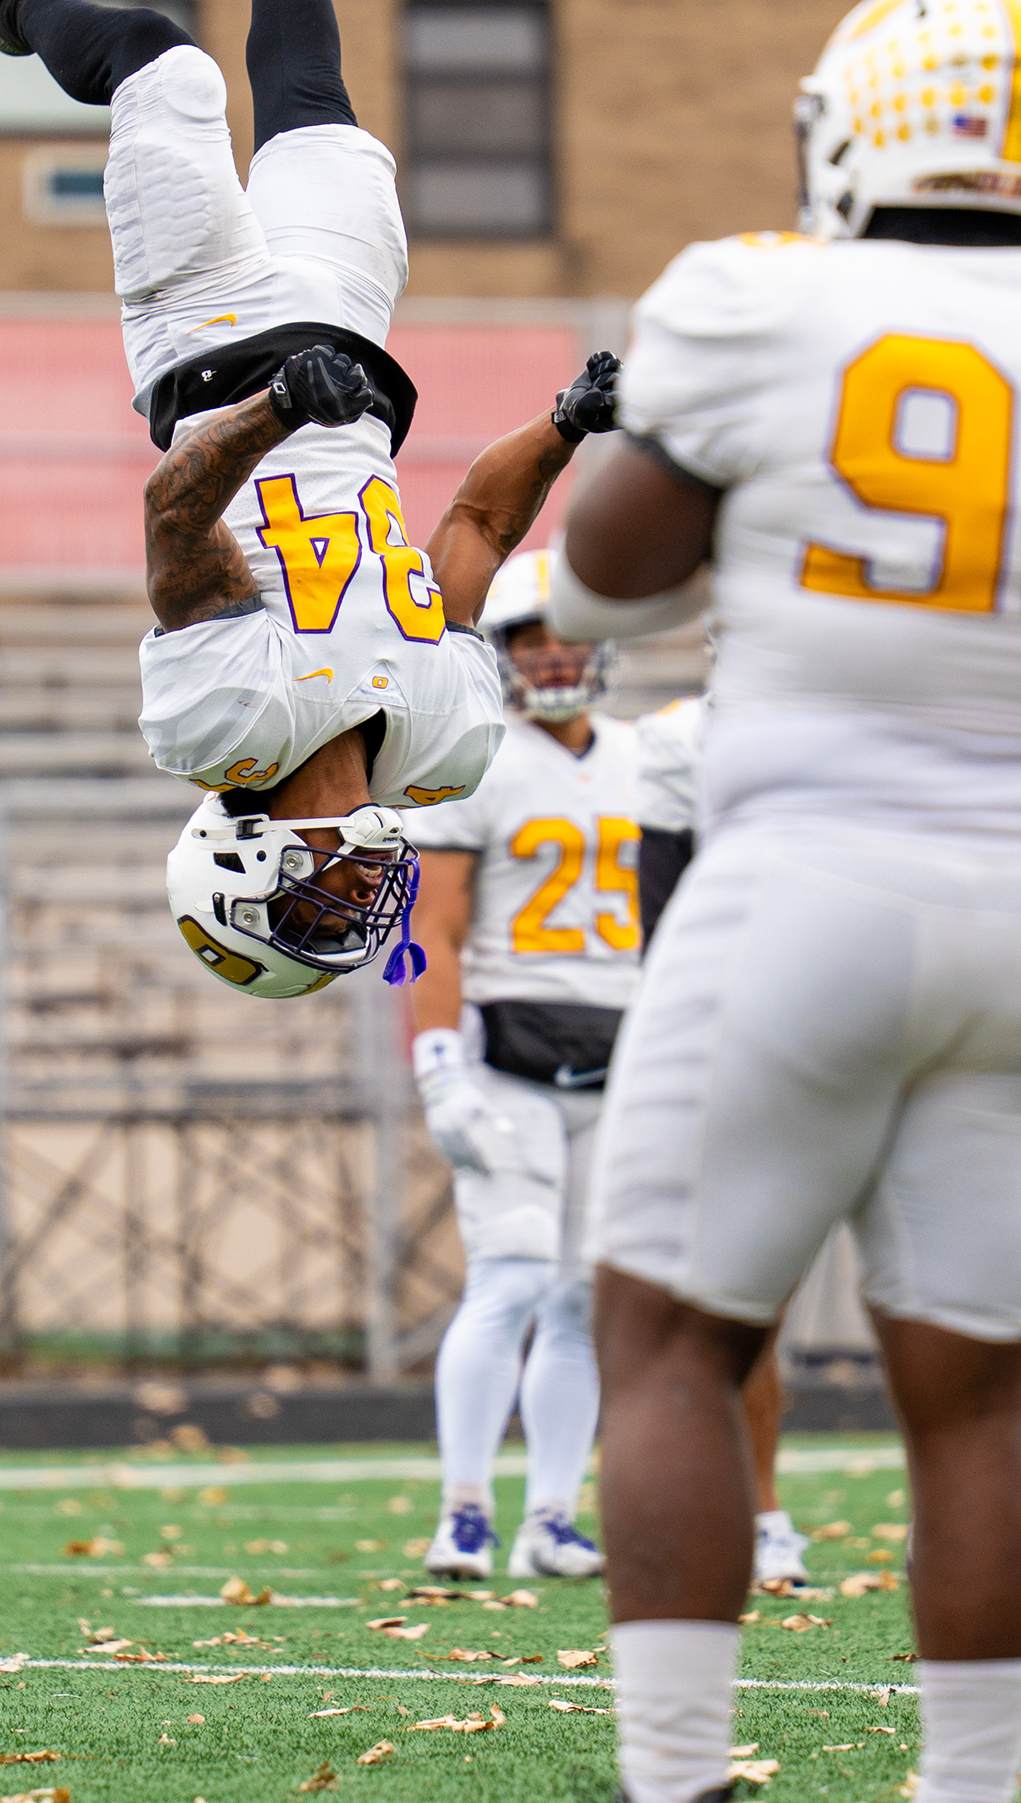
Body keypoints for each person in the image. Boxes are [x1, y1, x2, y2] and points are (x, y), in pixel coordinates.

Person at [552, 0, 1021, 1803]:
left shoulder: (761, 297)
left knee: (673, 1340)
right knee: (977, 1388)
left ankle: (678, 1777)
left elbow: (600, 582)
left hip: (815, 875)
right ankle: (969, 1788)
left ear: (852, 132)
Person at [0, 0, 617, 997]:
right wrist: (566, 425)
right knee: (319, 113)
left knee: (162, 65)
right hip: (350, 352)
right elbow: (475, 524)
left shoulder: (224, 729)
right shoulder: (445, 742)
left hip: (208, 344)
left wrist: (277, 408)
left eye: (321, 903)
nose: (363, 889)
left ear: (243, 867)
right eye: (357, 909)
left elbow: (177, 510)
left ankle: (15, 3)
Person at [408, 548, 634, 1580]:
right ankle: (464, 1510)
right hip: (510, 1055)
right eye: (530, 639)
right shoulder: (479, 760)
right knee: (509, 1280)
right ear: (502, 653)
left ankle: (551, 1517)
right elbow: (433, 928)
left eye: (567, 635)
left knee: (582, 1298)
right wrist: (438, 1061)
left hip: (623, 1057)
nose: (551, 656)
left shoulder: (648, 761)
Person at [635, 690, 810, 1592]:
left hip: (849, 1017)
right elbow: (662, 925)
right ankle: (742, 1508)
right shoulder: (674, 744)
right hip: (723, 1036)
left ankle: (769, 1508)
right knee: (717, 1290)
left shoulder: (861, 717)